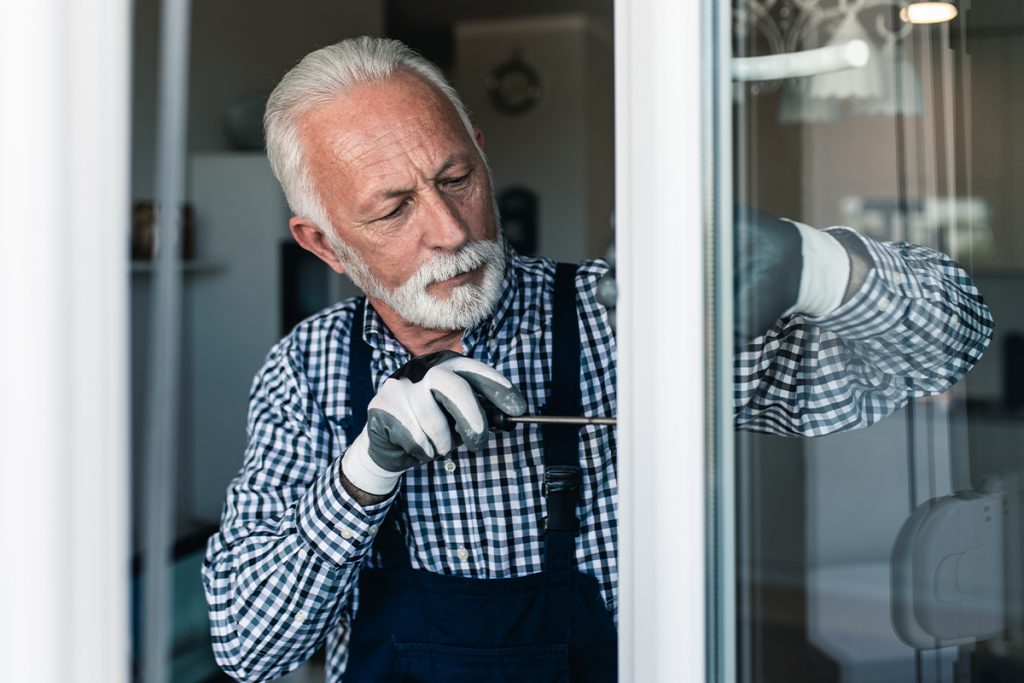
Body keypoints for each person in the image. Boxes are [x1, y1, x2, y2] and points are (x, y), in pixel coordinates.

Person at [202, 37, 992, 682]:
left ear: (481, 152)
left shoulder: (628, 320)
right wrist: (362, 475)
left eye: (456, 178)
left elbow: (949, 343)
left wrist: (815, 264)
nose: (449, 231)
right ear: (323, 242)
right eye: (394, 208)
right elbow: (249, 648)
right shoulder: (307, 371)